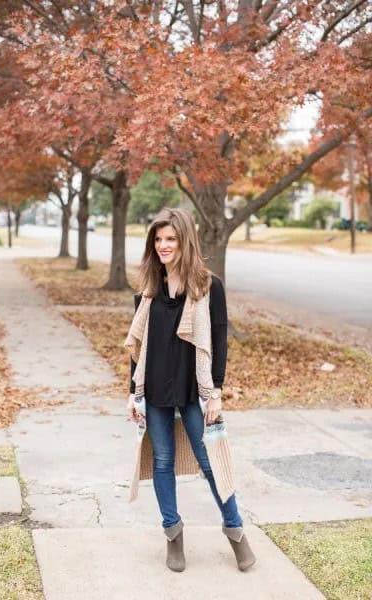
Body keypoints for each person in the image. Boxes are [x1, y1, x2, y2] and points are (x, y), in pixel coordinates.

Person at [124, 207, 255, 573]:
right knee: (163, 461)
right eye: (159, 239)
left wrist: (216, 391)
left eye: (171, 239)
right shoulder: (148, 291)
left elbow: (219, 339)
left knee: (211, 462)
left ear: (185, 242)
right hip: (155, 390)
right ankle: (173, 534)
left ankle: (236, 531)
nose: (164, 246)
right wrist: (133, 394)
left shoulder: (208, 287)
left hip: (195, 389)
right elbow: (138, 349)